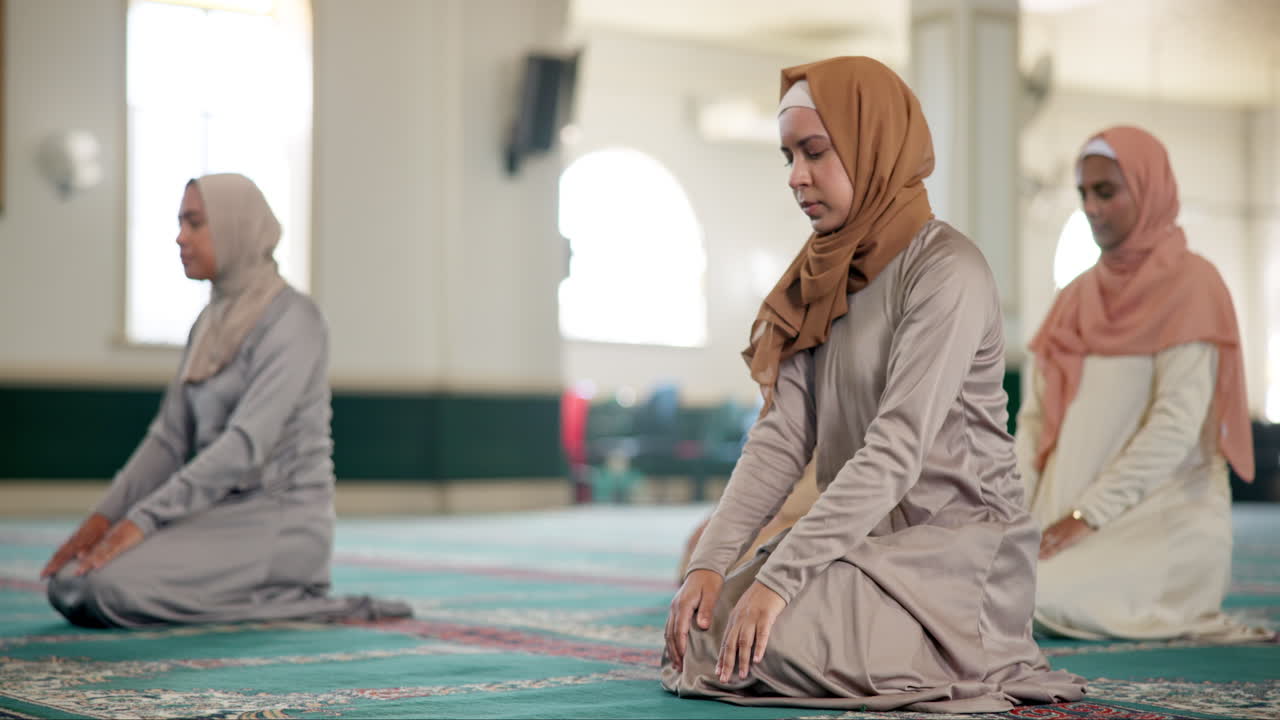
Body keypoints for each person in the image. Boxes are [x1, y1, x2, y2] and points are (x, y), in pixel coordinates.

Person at [661, 57, 1086, 712]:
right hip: (859, 541)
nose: (797, 177)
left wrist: (779, 580)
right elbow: (781, 440)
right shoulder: (819, 274)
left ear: (871, 143)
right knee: (706, 630)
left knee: (761, 640)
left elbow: (895, 451)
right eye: (788, 157)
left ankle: (959, 648)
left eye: (815, 152)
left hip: (956, 551)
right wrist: (710, 564)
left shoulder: (947, 270)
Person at [42, 173, 411, 628]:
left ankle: (289, 594)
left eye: (195, 223)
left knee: (104, 590)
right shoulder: (209, 324)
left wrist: (142, 522)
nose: (180, 237)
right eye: (180, 222)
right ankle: (254, 595)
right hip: (216, 512)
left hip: (281, 522)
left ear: (236, 226)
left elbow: (245, 444)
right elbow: (167, 442)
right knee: (68, 583)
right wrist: (102, 520)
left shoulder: (295, 319)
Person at [1016, 126, 1274, 643]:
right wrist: (1013, 516)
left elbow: (1175, 426)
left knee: (1027, 596)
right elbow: (1036, 421)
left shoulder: (1193, 285)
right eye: (1084, 193)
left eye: (1106, 192)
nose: (1091, 207)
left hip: (1160, 523)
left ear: (1149, 188)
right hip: (1057, 524)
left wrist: (1087, 515)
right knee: (978, 585)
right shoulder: (1076, 296)